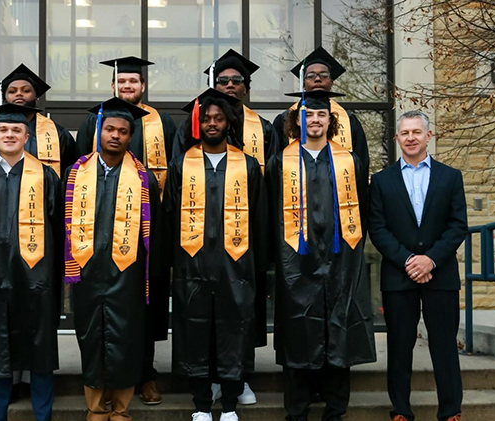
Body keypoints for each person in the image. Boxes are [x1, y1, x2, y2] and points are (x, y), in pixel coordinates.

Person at [267, 90, 376, 421]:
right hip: (295, 264)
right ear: (297, 121)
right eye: (308, 115)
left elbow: (362, 211)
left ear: (331, 121)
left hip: (340, 261)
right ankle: (296, 411)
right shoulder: (279, 163)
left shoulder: (350, 162)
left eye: (321, 115)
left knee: (338, 329)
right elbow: (270, 212)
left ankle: (335, 410)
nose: (314, 120)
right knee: (299, 331)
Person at [75, 56, 174, 405]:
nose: (127, 86)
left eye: (133, 82)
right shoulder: (93, 122)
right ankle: (100, 388)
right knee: (97, 318)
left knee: (139, 317)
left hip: (143, 235)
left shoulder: (161, 123)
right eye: (122, 82)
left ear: (143, 86)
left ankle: (144, 377)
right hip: (96, 233)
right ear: (114, 85)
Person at [164, 89, 268, 421]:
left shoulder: (248, 166)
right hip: (190, 265)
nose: (212, 123)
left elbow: (260, 219)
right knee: (194, 330)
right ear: (198, 125)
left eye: (218, 118)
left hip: (236, 265)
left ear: (228, 123)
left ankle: (230, 404)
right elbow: (168, 217)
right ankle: (200, 404)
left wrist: (258, 265)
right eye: (206, 118)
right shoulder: (181, 164)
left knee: (233, 330)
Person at [0, 103, 62, 421]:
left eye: (16, 130)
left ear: (26, 136)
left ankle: (42, 414)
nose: (9, 134)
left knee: (39, 345)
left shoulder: (45, 175)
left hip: (36, 276)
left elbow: (57, 223)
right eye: (3, 129)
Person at [369, 110, 467, 421]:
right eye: (405, 133)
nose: (410, 137)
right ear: (397, 138)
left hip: (441, 276)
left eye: (416, 132)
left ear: (428, 136)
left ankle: (451, 411)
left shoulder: (450, 177)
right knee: (399, 346)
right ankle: (401, 410)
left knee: (444, 347)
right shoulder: (382, 181)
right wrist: (409, 260)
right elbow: (378, 228)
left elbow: (457, 225)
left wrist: (431, 259)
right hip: (399, 276)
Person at [173, 49, 281, 175]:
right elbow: (176, 169)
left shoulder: (264, 128)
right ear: (213, 87)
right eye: (223, 81)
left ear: (245, 89)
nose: (230, 85)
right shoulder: (192, 125)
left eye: (237, 80)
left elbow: (273, 175)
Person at [273, 47, 370, 175]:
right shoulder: (284, 119)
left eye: (324, 75)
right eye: (311, 76)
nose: (317, 79)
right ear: (303, 83)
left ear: (332, 82)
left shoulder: (349, 120)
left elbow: (361, 165)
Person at [0, 62, 77, 175]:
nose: (19, 94)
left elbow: (68, 177)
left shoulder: (59, 134)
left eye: (26, 91)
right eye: (12, 91)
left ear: (36, 98)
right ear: (5, 99)